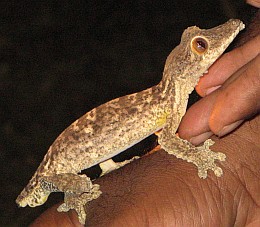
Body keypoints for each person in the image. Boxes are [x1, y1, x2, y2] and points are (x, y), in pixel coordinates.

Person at [31, 1, 260, 226]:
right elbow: (169, 140)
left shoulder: (164, 100)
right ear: (182, 67)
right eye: (200, 46)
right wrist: (199, 157)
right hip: (49, 180)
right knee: (80, 187)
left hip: (63, 167)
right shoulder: (166, 104)